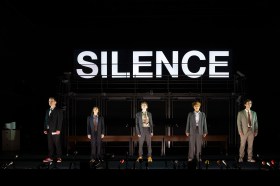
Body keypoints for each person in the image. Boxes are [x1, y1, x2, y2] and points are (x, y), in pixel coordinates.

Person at [43, 97, 63, 163]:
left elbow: (60, 121)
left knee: (57, 144)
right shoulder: (47, 110)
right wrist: (45, 128)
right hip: (49, 130)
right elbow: (45, 120)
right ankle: (50, 157)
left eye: (51, 100)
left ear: (55, 102)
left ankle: (59, 157)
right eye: (49, 101)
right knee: (50, 144)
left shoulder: (58, 110)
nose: (50, 102)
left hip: (55, 130)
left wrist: (58, 129)